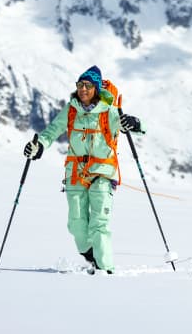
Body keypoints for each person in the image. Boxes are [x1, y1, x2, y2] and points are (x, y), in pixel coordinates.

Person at [23, 65, 142, 274]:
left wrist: (134, 123)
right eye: (80, 85)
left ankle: (105, 270)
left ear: (96, 88)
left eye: (87, 85)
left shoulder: (109, 112)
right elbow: (51, 131)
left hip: (103, 173)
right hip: (76, 172)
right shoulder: (71, 110)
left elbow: (139, 127)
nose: (83, 89)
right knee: (76, 224)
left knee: (99, 224)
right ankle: (91, 256)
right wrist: (38, 146)